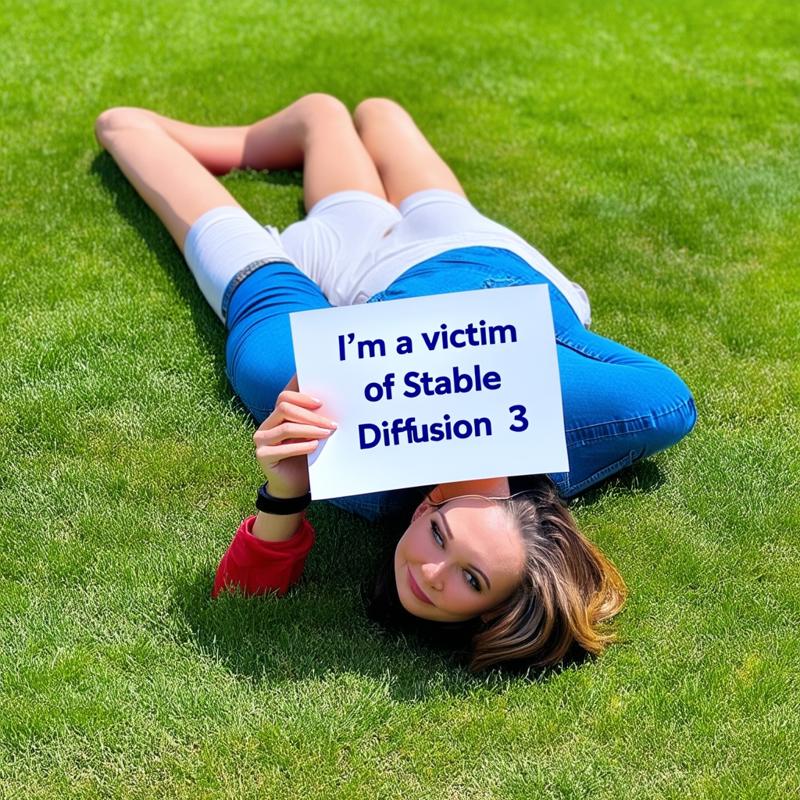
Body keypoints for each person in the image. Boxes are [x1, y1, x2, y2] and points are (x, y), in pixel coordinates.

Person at [94, 94, 697, 673]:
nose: (433, 573)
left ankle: (316, 119)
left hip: (344, 271)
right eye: (449, 539)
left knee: (122, 128)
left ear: (486, 616)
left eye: (469, 579)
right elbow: (667, 398)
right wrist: (493, 367)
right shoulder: (582, 426)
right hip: (480, 255)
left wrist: (286, 490)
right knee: (381, 115)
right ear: (437, 501)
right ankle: (327, 120)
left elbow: (239, 601)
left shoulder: (304, 398)